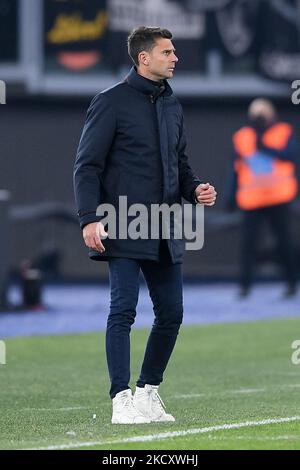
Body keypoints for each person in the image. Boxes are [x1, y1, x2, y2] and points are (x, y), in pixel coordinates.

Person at [73, 26, 217, 424]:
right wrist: (89, 219)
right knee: (123, 311)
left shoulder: (172, 105)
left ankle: (148, 393)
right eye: (167, 52)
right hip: (122, 222)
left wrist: (196, 189)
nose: (175, 58)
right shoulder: (110, 102)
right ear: (144, 58)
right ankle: (121, 400)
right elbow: (87, 167)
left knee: (172, 313)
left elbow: (181, 165)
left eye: (174, 52)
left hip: (166, 225)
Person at [228, 98, 298, 298]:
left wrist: (263, 145)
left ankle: (292, 284)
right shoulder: (242, 136)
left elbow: (290, 156)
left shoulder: (283, 131)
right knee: (248, 244)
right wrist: (230, 196)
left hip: (279, 197)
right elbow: (235, 168)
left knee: (284, 242)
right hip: (252, 199)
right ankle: (244, 287)